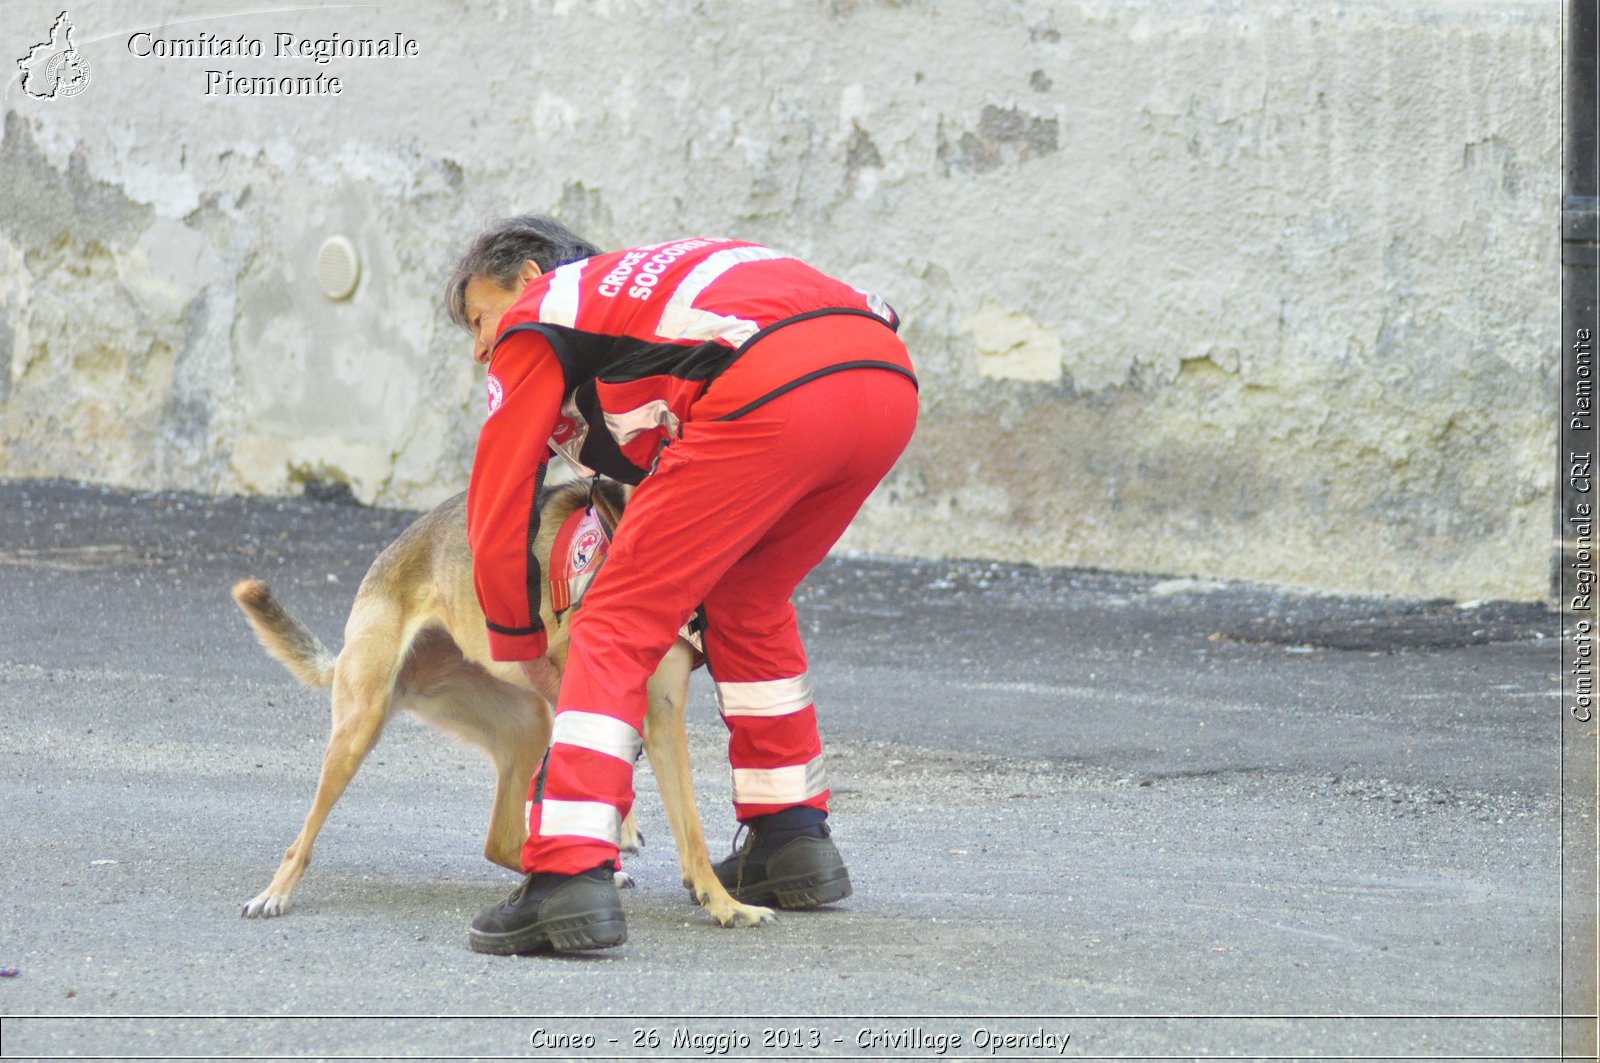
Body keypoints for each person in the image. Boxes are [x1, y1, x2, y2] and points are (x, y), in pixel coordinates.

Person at [446, 217, 918, 954]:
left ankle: (567, 875)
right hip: (883, 376)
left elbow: (500, 492)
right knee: (749, 596)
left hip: (773, 382)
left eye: (479, 317)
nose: (480, 347)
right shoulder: (644, 301)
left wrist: (518, 636)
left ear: (530, 277)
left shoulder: (545, 312)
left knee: (614, 619)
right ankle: (790, 838)